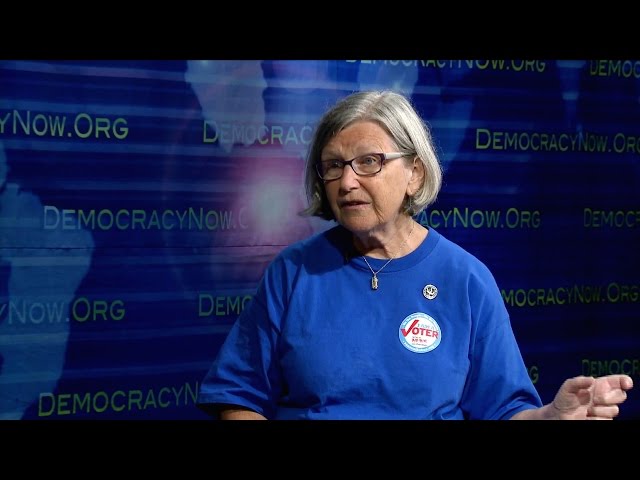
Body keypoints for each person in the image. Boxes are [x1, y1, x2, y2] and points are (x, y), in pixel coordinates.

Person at [197, 90, 633, 420]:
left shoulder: (466, 279)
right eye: (333, 165)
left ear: (415, 173)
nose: (346, 182)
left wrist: (550, 417)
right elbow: (237, 395)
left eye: (369, 162)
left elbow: (504, 409)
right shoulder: (293, 271)